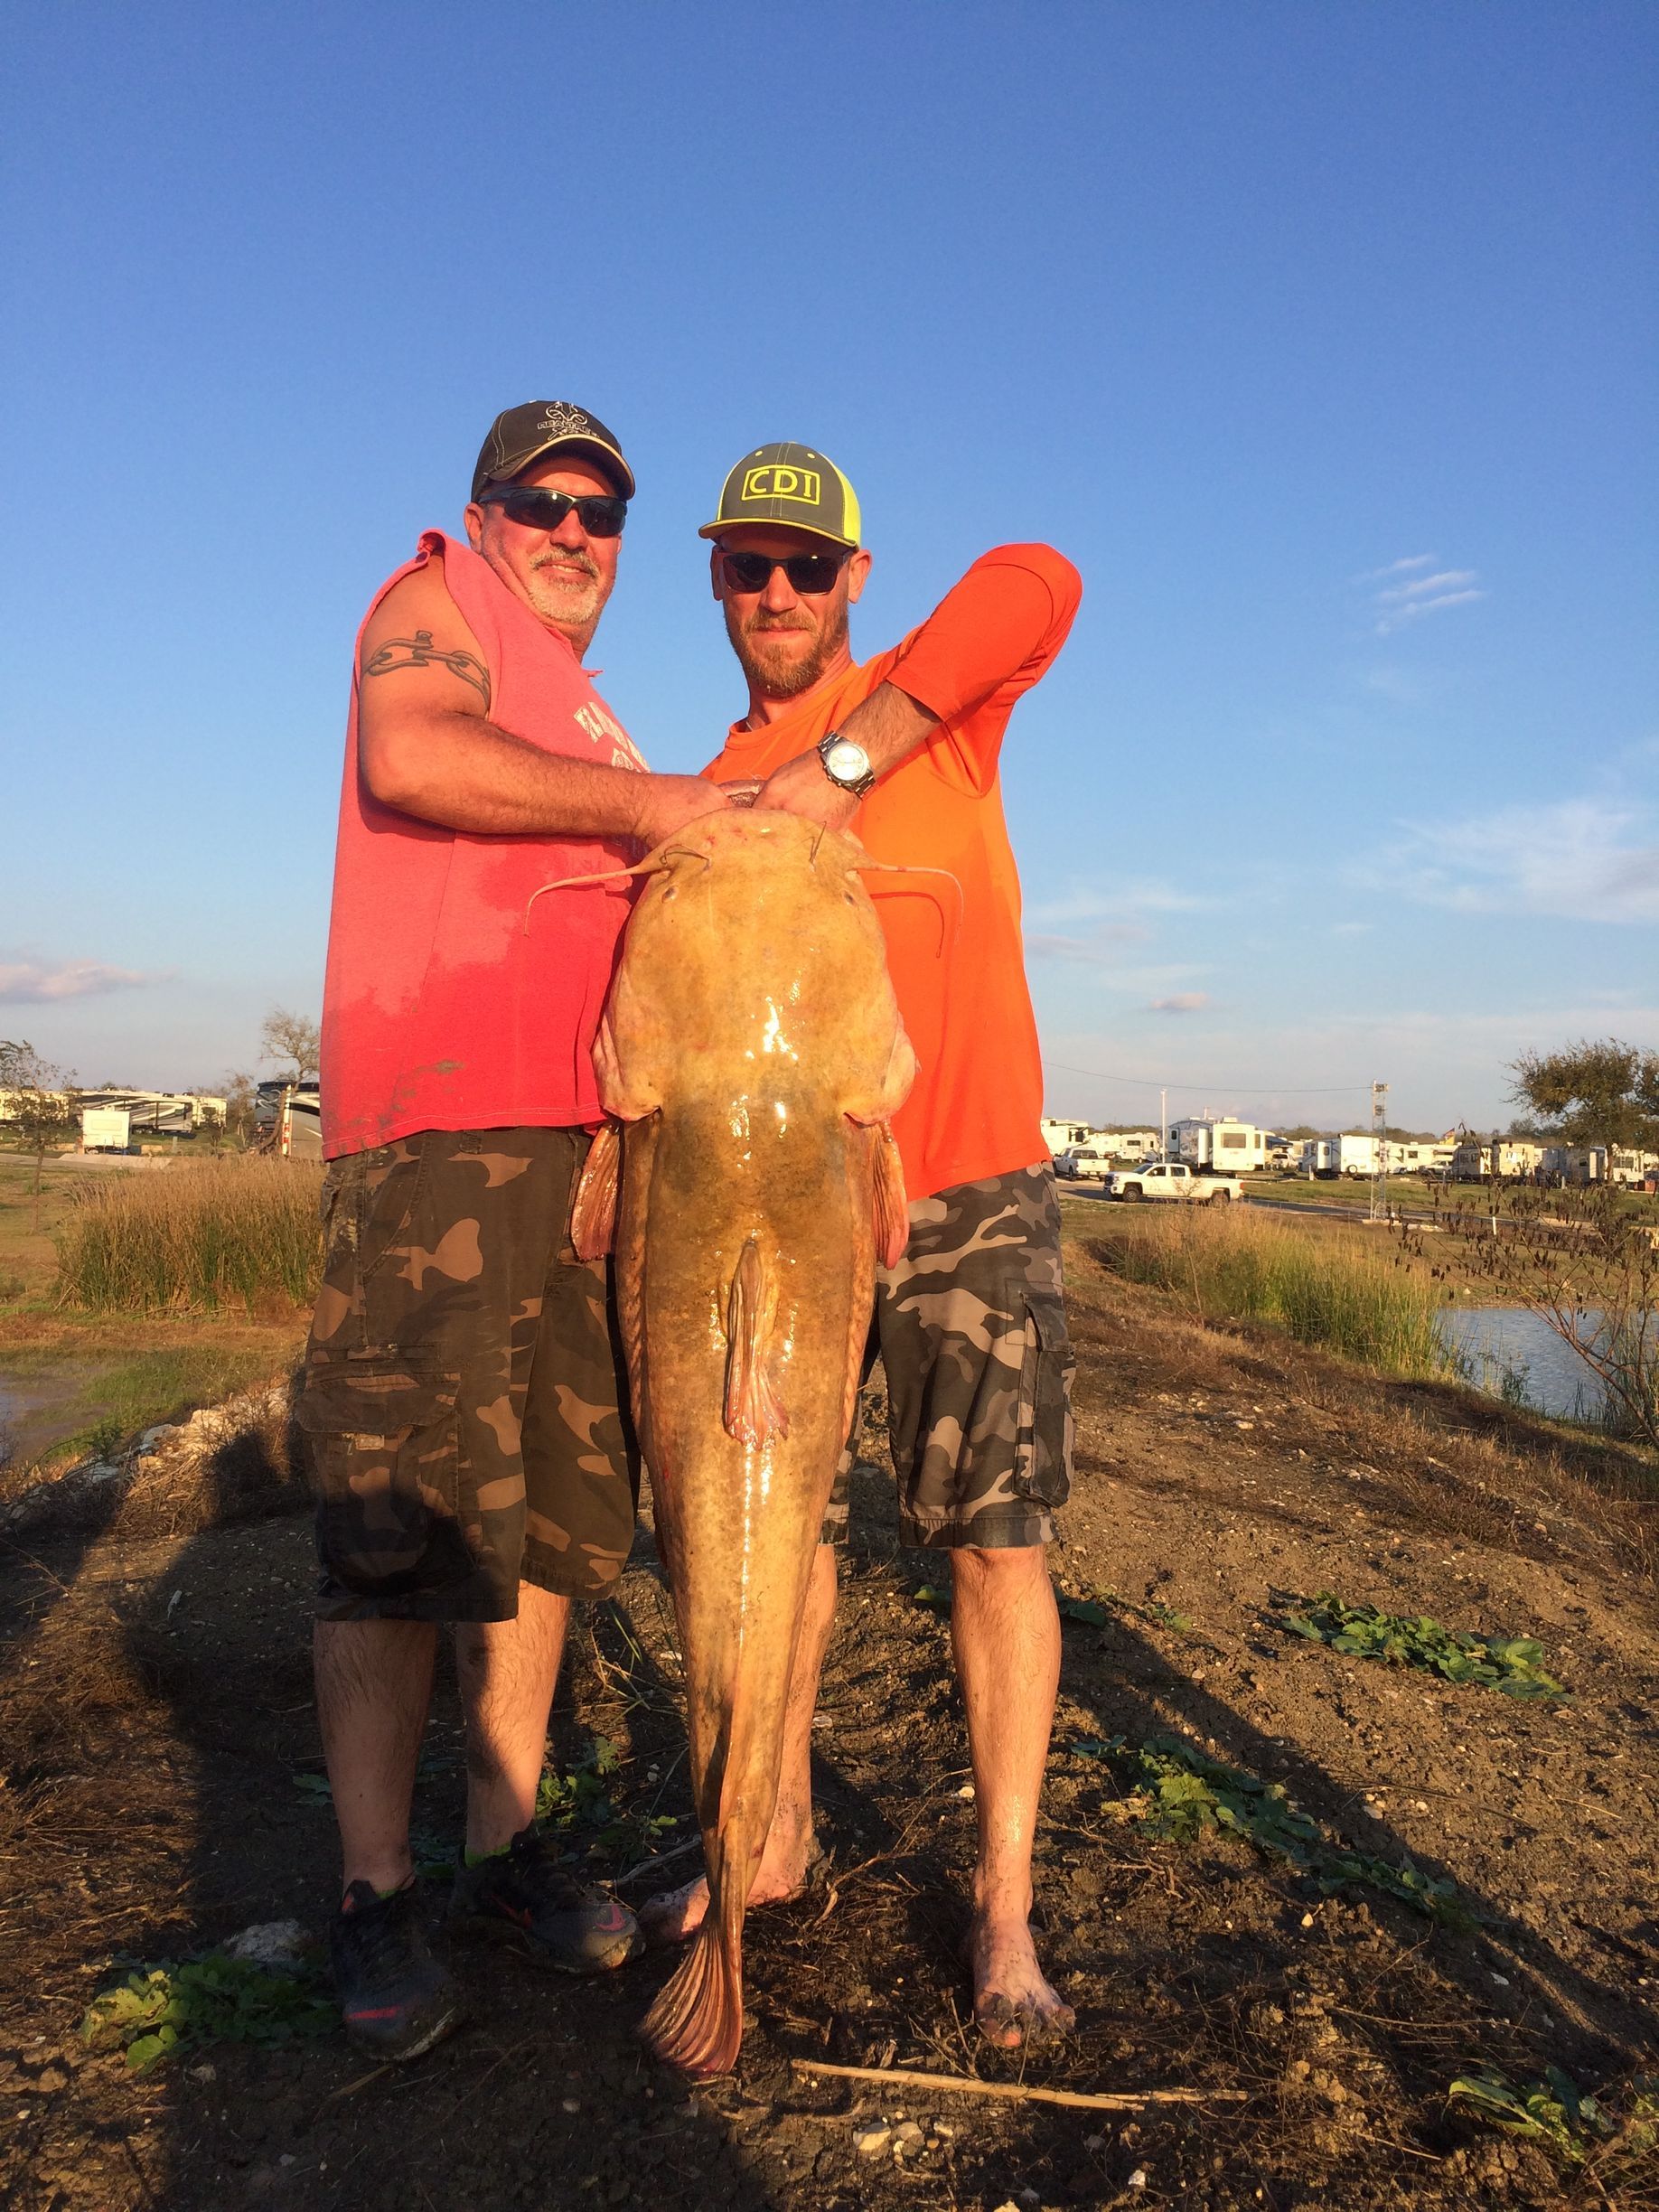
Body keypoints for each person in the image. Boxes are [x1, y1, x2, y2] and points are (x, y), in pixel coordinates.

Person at [299, 402, 728, 2058]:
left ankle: (504, 1845)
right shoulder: (436, 604)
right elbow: (411, 755)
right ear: (482, 512)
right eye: (541, 501)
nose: (572, 532)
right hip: (442, 1131)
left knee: (550, 1524)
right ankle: (372, 1891)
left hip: (577, 1162)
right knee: (396, 1528)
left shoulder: (590, 709)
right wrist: (655, 807)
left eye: (601, 512)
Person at [642, 442, 1082, 2047]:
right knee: (782, 1534)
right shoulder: (699, 795)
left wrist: (837, 767)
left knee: (994, 1539)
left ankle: (1005, 1909)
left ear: (854, 578)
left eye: (806, 564)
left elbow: (1040, 576)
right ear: (714, 582)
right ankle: (768, 1836)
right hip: (788, 1219)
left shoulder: (925, 705)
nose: (777, 591)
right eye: (747, 565)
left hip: (966, 1181)